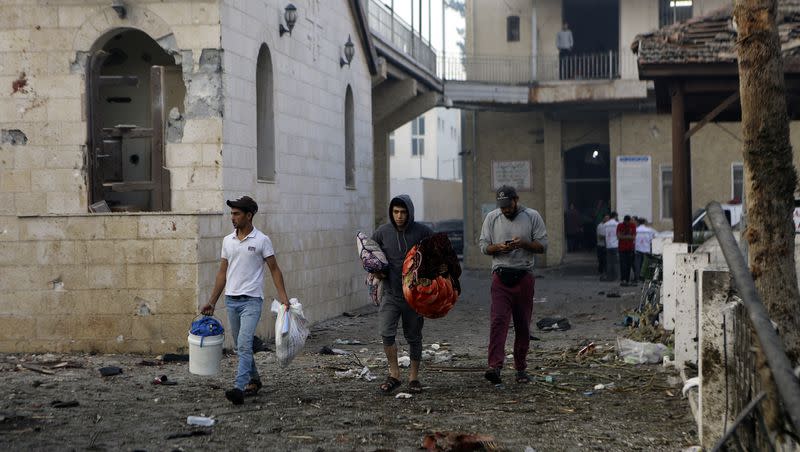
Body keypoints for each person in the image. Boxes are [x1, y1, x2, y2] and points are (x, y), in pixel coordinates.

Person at [200, 196, 290, 405]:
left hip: (252, 301)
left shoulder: (261, 240)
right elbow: (222, 273)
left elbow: (274, 269)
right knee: (243, 346)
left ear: (249, 216)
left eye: (237, 214)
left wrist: (284, 298)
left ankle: (239, 388)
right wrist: (212, 302)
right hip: (231, 300)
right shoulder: (227, 241)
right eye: (231, 213)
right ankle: (254, 380)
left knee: (243, 343)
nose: (233, 217)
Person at [479, 185, 548, 385]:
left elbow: (543, 246)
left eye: (508, 206)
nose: (505, 210)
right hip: (500, 277)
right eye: (502, 207)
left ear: (516, 200)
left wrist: (524, 244)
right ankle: (495, 367)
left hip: (524, 276)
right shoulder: (492, 218)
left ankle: (521, 368)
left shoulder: (532, 216)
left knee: (523, 325)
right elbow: (484, 246)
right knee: (498, 321)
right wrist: (497, 248)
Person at [371, 195, 433, 394]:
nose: (399, 216)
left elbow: (438, 253)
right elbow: (370, 256)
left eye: (403, 212)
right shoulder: (382, 232)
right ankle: (394, 374)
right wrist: (375, 271)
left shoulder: (422, 232)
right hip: (391, 293)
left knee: (414, 337)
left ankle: (414, 378)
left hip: (414, 296)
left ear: (410, 213)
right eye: (396, 212)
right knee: (386, 332)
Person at [617, 215, 637, 286]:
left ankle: (627, 280)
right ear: (624, 221)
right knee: (623, 265)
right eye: (626, 222)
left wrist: (624, 237)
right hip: (622, 249)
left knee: (628, 265)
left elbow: (633, 237)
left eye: (628, 222)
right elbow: (618, 236)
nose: (627, 224)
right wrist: (629, 237)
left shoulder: (633, 226)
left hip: (630, 249)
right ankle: (623, 279)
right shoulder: (620, 225)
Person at [603, 211, 620, 282]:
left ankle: (609, 277)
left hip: (608, 245)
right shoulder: (618, 224)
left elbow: (604, 235)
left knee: (609, 262)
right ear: (615, 216)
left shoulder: (605, 224)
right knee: (615, 262)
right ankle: (616, 277)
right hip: (615, 245)